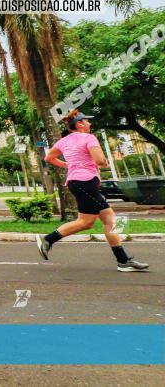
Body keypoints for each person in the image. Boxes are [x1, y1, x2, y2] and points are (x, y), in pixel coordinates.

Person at [36, 110, 149, 272]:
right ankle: (47, 239)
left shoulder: (64, 141)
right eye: (87, 121)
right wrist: (103, 163)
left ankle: (123, 261)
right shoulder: (89, 138)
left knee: (109, 218)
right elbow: (99, 160)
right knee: (86, 222)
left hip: (78, 182)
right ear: (79, 124)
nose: (90, 124)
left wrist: (68, 165)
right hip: (86, 182)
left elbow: (49, 158)